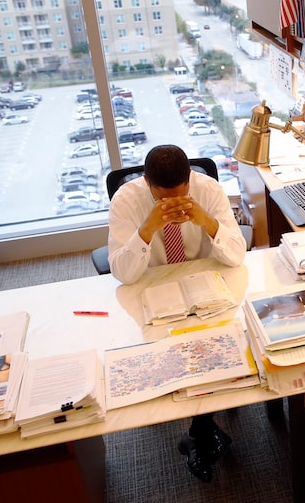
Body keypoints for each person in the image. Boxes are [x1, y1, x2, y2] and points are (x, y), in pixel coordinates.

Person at [107, 144, 246, 481]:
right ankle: (203, 431)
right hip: (153, 293)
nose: (170, 204)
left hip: (204, 288)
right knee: (166, 355)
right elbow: (123, 273)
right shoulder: (127, 200)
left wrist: (208, 223)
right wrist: (147, 230)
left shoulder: (209, 190)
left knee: (223, 346)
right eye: (161, 198)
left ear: (189, 179)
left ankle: (201, 432)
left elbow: (237, 254)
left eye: (179, 195)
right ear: (147, 183)